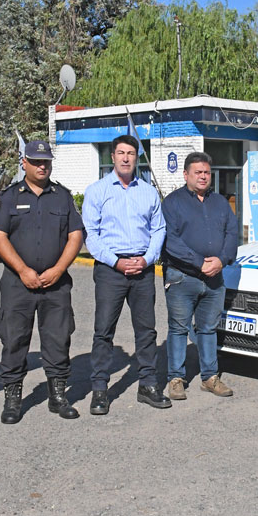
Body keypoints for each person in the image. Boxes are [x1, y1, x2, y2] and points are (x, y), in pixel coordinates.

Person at [0, 140, 84, 423]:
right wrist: (22, 270)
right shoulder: (9, 196)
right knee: (14, 339)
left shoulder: (62, 196)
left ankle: (58, 396)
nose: (42, 166)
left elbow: (75, 236)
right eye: (36, 161)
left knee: (58, 338)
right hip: (18, 283)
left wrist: (58, 269)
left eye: (46, 161)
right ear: (24, 163)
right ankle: (13, 399)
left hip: (56, 283)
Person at [82, 134, 169, 414]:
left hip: (142, 270)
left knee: (146, 331)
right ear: (113, 157)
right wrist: (116, 263)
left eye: (131, 153)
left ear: (137, 157)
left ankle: (148, 385)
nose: (126, 158)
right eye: (121, 153)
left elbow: (159, 229)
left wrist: (147, 259)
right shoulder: (97, 191)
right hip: (111, 270)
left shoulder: (148, 191)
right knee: (104, 331)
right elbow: (91, 235)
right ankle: (99, 390)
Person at [161, 151, 238, 400]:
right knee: (178, 329)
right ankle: (176, 378)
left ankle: (210, 377)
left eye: (206, 172)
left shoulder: (221, 203)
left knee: (208, 328)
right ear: (186, 175)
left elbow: (231, 234)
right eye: (198, 172)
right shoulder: (172, 203)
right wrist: (199, 262)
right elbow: (170, 240)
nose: (203, 176)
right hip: (182, 277)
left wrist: (221, 259)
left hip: (215, 277)